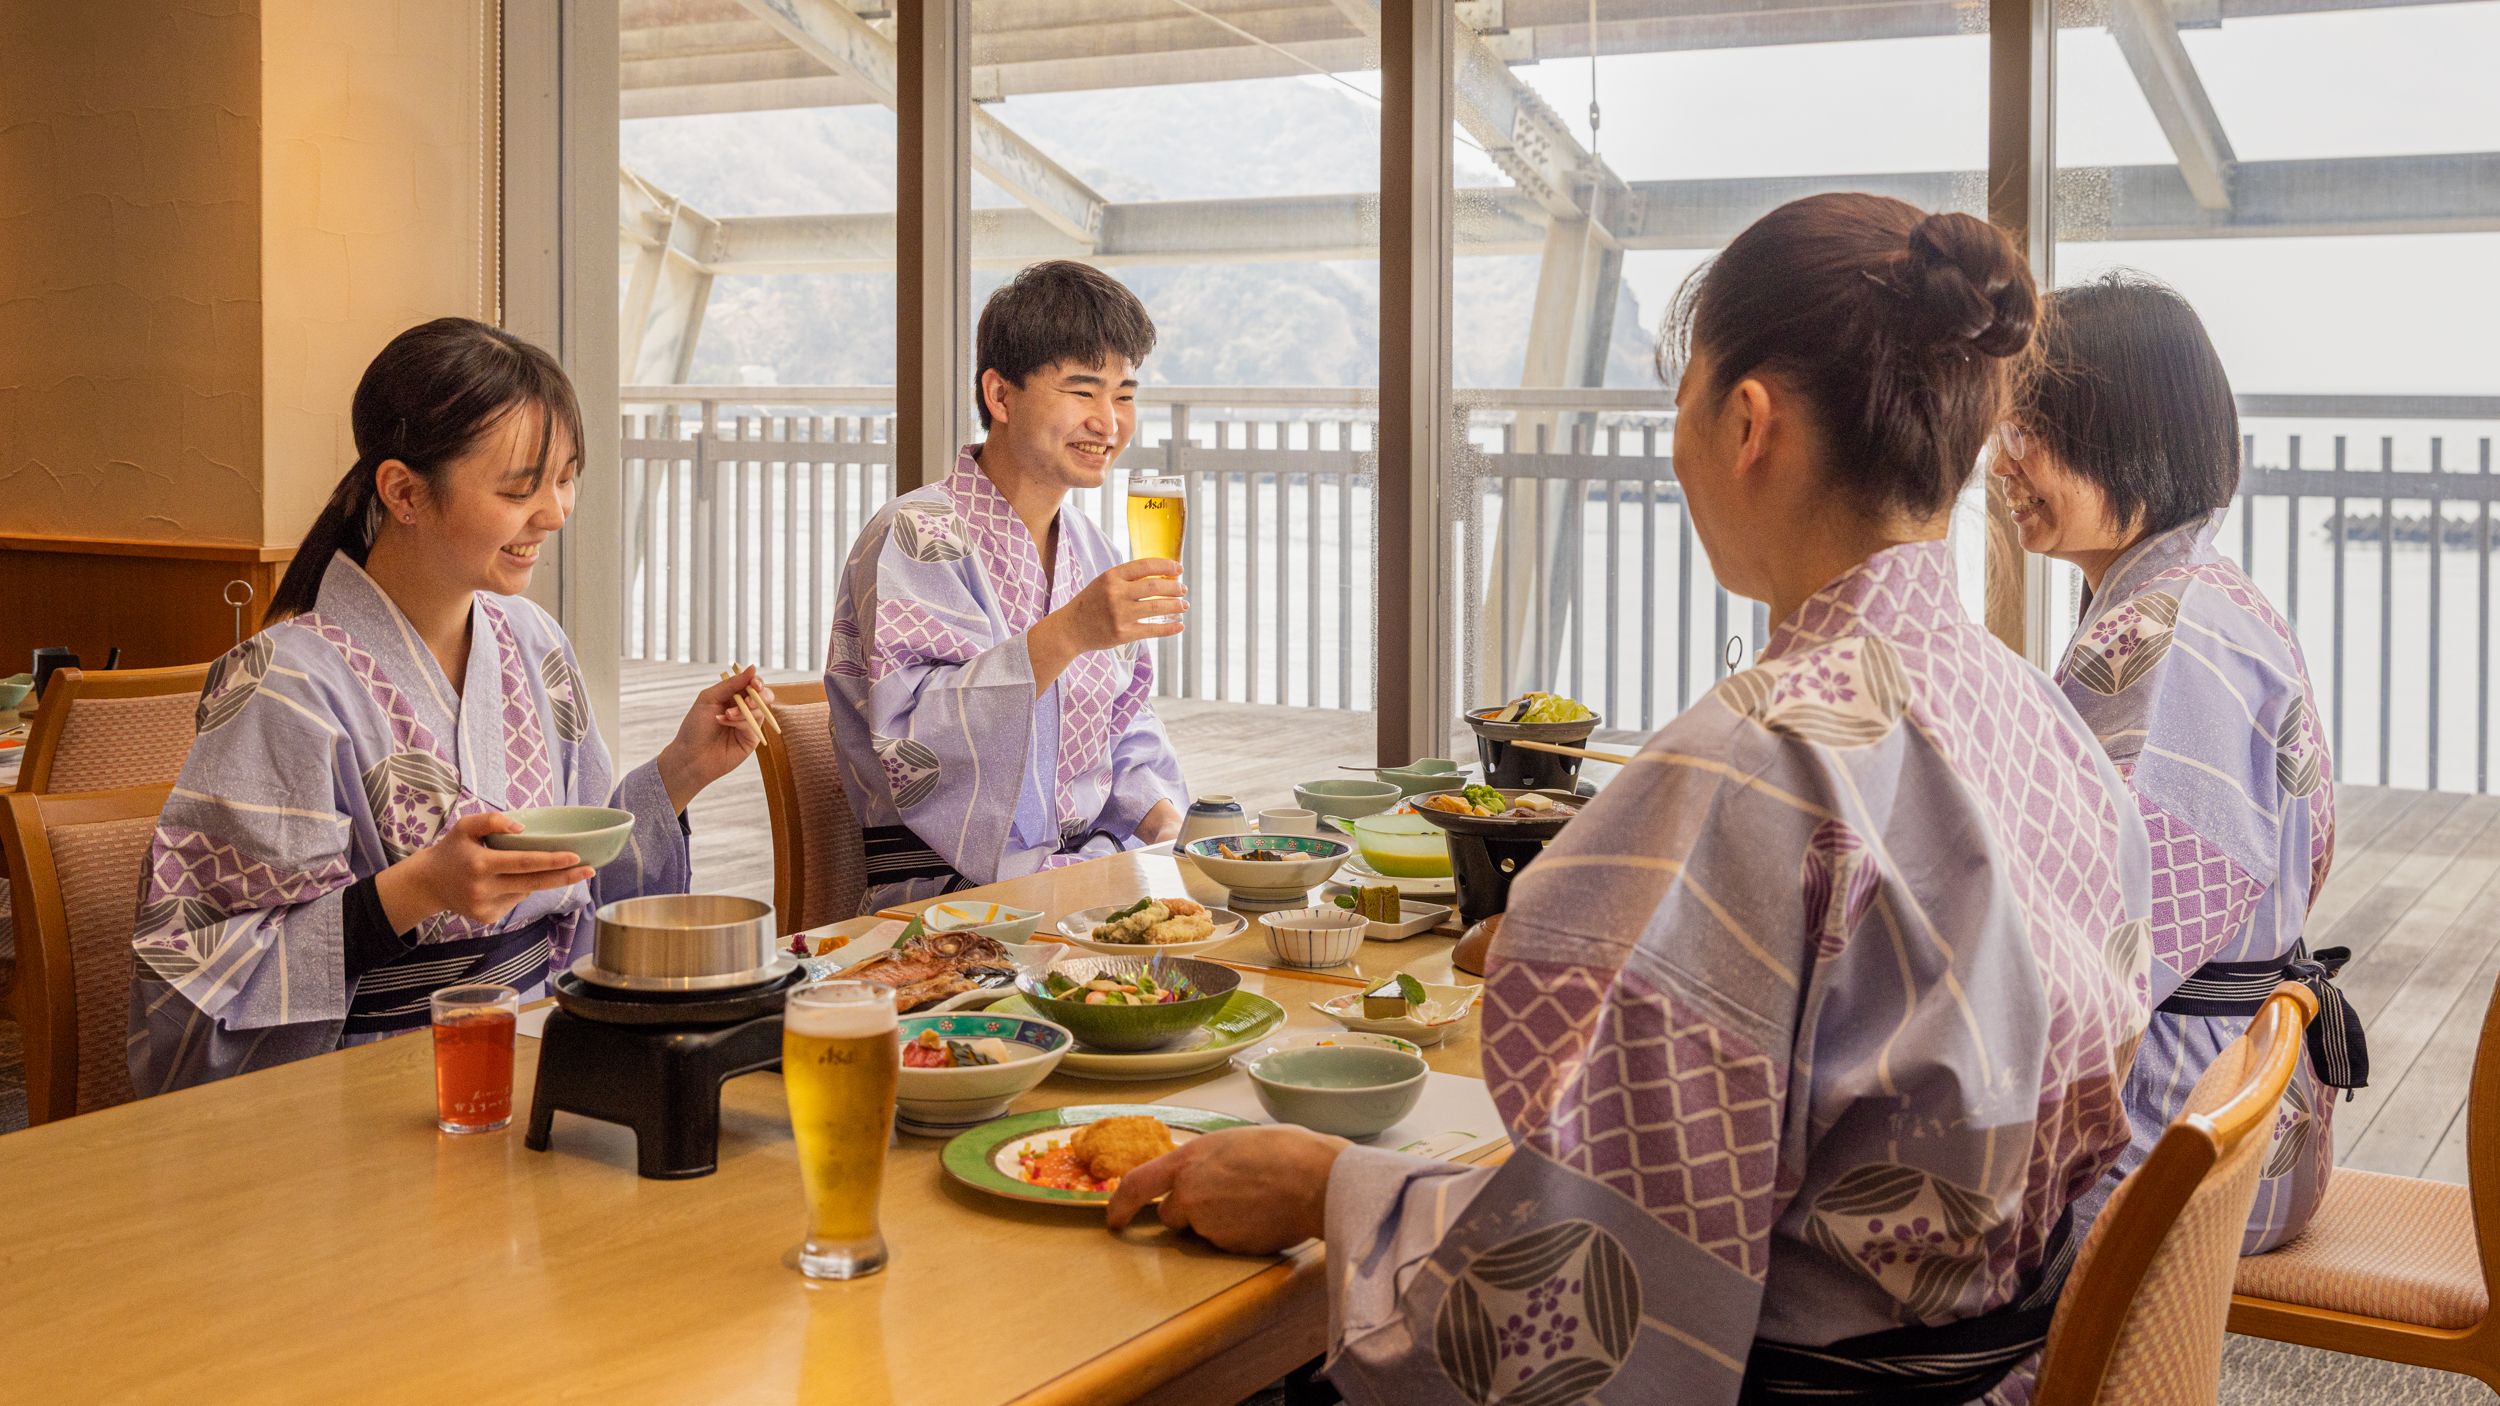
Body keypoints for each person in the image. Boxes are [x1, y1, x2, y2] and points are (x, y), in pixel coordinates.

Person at [1106, 195, 2155, 1406]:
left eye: (1685, 393)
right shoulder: (2043, 720)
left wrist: (1322, 1188)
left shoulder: (1754, 760)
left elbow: (1577, 1297)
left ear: (1747, 420)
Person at [128, 318, 767, 1092]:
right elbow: (199, 969)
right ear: (403, 491)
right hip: (360, 1084)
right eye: (518, 488)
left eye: (567, 477)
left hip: (540, 1044)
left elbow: (576, 874)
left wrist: (680, 771)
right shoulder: (283, 683)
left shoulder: (534, 642)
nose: (557, 512)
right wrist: (417, 890)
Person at [1996, 273, 2358, 1253]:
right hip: (2246, 1099)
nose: (2002, 458)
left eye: (2029, 426)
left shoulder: (2167, 638)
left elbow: (2105, 948)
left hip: (2184, 1136)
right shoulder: (2200, 595)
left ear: (2126, 434)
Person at [824, 261, 1189, 912]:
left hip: (1091, 883)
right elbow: (916, 742)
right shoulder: (917, 534)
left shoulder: (1091, 549)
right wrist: (1070, 632)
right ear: (1000, 396)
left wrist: (1172, 826)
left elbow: (1124, 718)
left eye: (1124, 394)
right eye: (1083, 391)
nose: (1109, 422)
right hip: (951, 903)